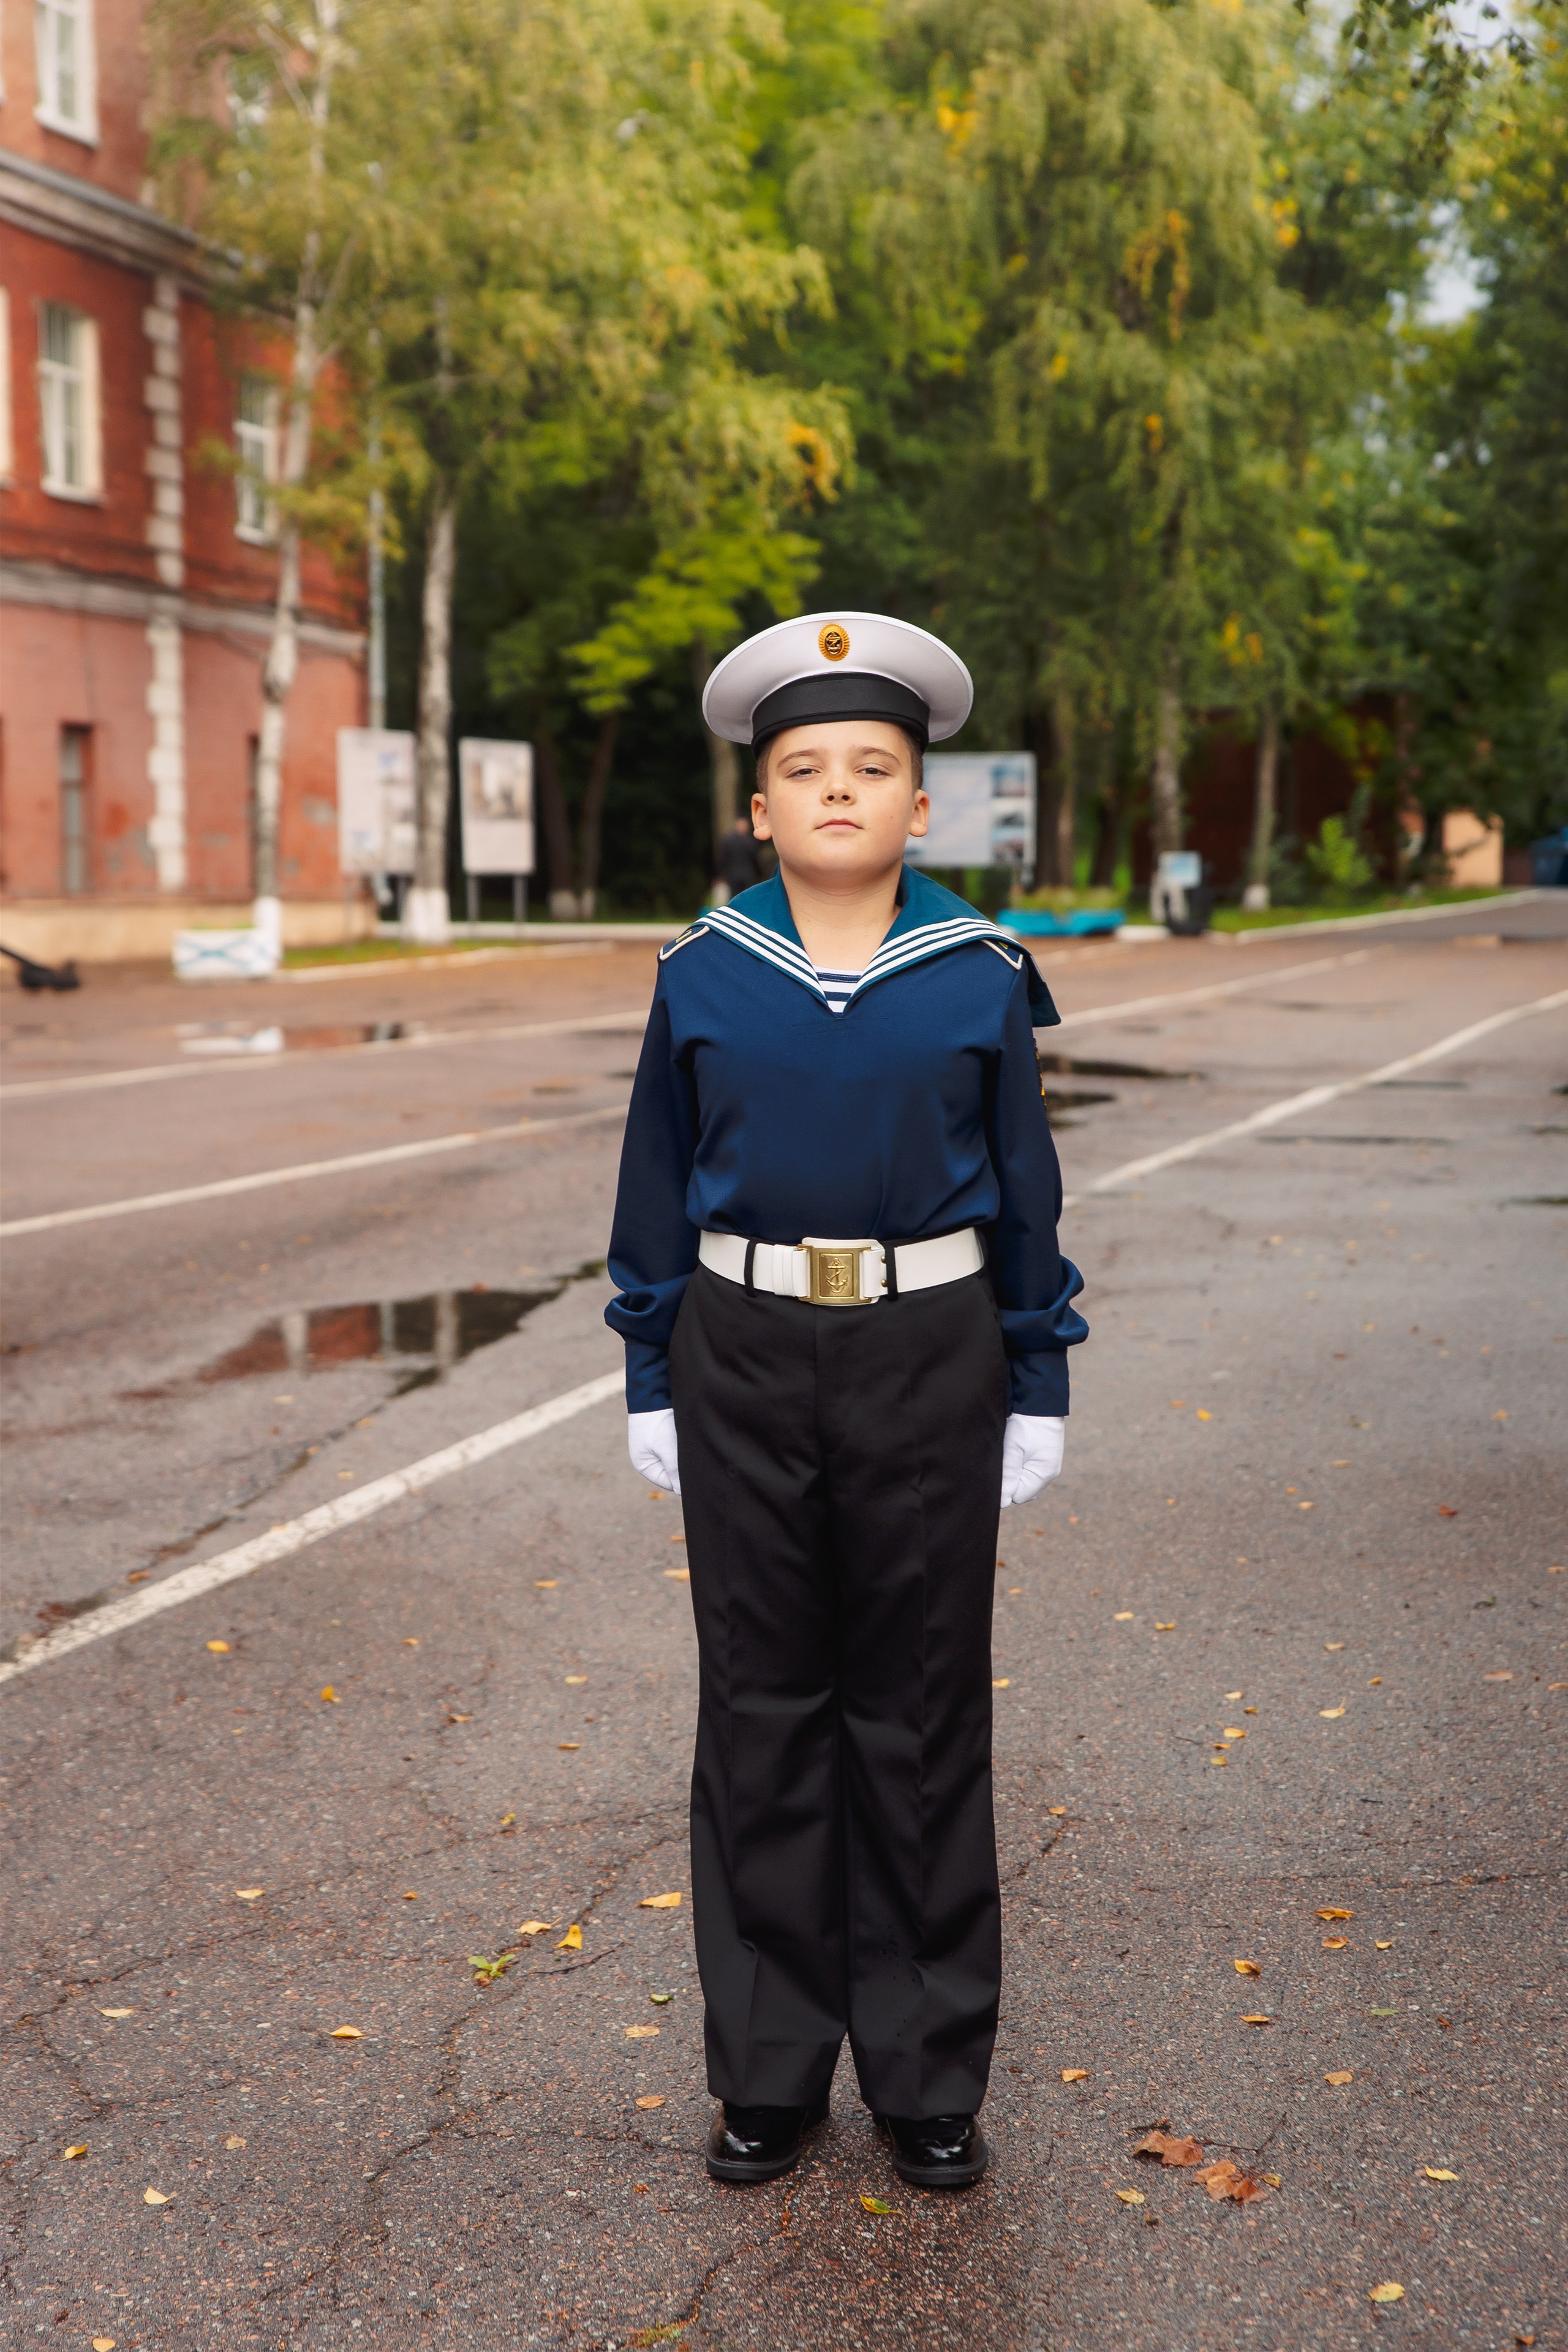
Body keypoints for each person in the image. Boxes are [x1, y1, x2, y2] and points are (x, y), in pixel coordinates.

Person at [604, 611, 1087, 2192]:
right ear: (758, 809)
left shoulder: (977, 976)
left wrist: (1035, 1374)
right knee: (760, 1713)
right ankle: (769, 2073)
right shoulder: (703, 974)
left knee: (920, 1713)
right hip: (740, 1353)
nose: (835, 791)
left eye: (871, 767)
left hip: (926, 1348)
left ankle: (929, 2072)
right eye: (801, 768)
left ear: (918, 807)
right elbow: (656, 1186)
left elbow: (1026, 1185)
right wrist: (649, 1367)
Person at [710, 814, 761, 907]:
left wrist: (719, 874)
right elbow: (755, 859)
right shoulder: (750, 842)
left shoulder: (728, 841)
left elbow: (722, 860)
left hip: (732, 874)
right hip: (747, 874)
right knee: (747, 897)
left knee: (734, 898)